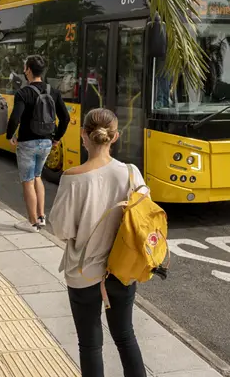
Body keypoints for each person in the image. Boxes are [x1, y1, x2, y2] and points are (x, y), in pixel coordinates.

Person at [47, 109, 148, 377]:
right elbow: (144, 218)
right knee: (126, 337)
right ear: (115, 137)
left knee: (90, 345)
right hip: (121, 269)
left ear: (84, 135)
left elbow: (59, 228)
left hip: (83, 274)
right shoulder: (130, 173)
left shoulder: (72, 177)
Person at [6, 54, 70, 232]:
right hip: (47, 142)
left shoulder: (23, 93)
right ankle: (41, 217)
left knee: (27, 181)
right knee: (37, 177)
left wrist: (10, 135)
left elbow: (15, 118)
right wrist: (57, 137)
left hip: (27, 143)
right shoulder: (53, 91)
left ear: (27, 70)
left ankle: (32, 222)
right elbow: (65, 117)